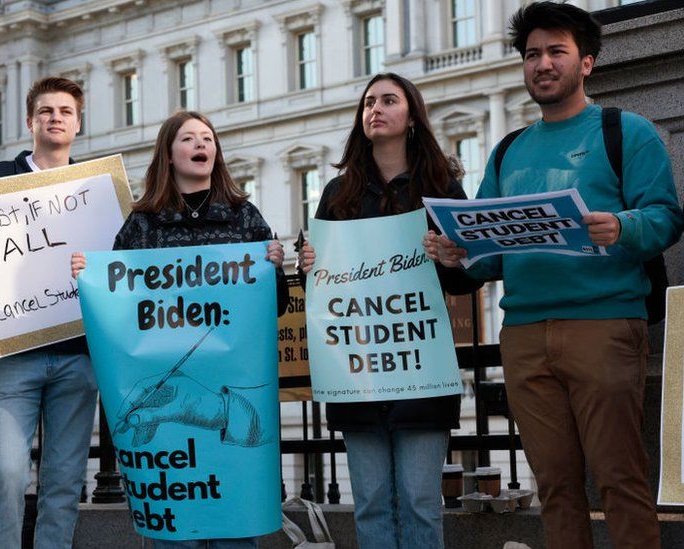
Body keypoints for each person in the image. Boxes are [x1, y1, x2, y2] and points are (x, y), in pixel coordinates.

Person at [426, 3, 682, 548]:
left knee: (620, 480)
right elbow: (491, 253)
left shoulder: (626, 132)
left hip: (606, 325)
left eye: (556, 51)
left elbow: (665, 216)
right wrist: (457, 256)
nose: (542, 63)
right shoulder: (509, 149)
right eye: (532, 54)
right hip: (522, 334)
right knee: (555, 487)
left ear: (586, 62)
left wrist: (622, 224)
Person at [72, 111, 288, 549]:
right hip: (165, 392)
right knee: (174, 529)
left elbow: (274, 307)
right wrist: (87, 276)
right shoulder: (141, 224)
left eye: (207, 137)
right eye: (189, 138)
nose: (200, 144)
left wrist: (276, 271)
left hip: (228, 389)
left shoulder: (244, 217)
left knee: (233, 522)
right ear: (168, 155)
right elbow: (119, 308)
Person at [295, 73, 480, 548]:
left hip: (420, 370)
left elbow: (467, 278)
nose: (375, 108)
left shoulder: (442, 187)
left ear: (412, 116)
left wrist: (451, 255)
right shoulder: (338, 193)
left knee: (421, 504)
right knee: (372, 506)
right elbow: (322, 283)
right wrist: (308, 263)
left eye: (388, 100)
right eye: (368, 102)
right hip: (358, 375)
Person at [0, 76, 98, 549]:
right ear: (30, 122)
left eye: (65, 111)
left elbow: (119, 263)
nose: (56, 118)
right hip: (15, 350)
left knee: (65, 478)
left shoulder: (96, 188)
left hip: (78, 354)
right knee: (6, 469)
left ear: (78, 123)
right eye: (46, 111)